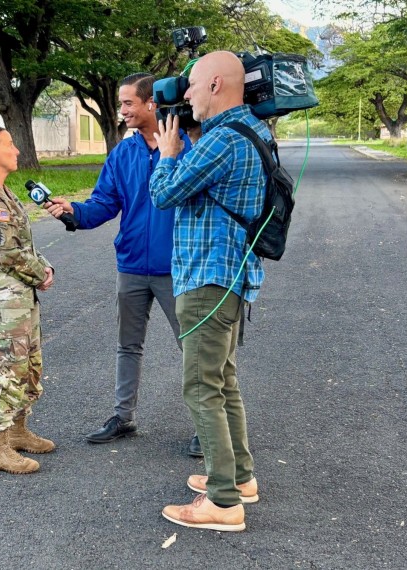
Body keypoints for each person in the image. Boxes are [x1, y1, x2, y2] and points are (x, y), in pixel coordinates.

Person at [44, 73, 201, 454]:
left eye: (128, 103)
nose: (122, 110)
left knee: (196, 350)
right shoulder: (123, 153)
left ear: (152, 104)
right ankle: (123, 416)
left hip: (178, 267)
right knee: (128, 345)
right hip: (131, 265)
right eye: (121, 103)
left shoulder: (190, 144)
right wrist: (73, 212)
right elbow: (104, 203)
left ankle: (205, 426)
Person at [149, 51, 271, 531]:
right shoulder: (249, 131)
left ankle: (223, 503)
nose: (187, 96)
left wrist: (167, 154)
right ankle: (238, 478)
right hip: (229, 277)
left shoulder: (222, 140)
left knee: (202, 387)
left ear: (217, 84)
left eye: (193, 86)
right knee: (223, 382)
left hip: (206, 278)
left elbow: (164, 193)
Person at [0, 126, 55, 474]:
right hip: (5, 298)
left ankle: (17, 431)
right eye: (10, 145)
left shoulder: (3, 192)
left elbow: (23, 247)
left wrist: (44, 267)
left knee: (25, 364)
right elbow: (6, 253)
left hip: (19, 295)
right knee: (3, 369)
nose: (17, 150)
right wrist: (40, 274)